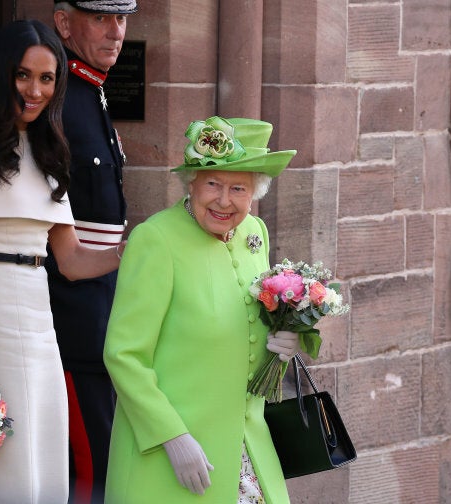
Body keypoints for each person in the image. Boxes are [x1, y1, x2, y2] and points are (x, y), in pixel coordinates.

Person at [0, 19, 124, 504]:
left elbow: (73, 261)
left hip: (39, 314)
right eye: (23, 75)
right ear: (1, 73)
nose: (34, 91)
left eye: (46, 79)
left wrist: (134, 250)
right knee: (5, 466)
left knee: (46, 453)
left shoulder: (50, 150)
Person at [103, 116, 301, 503]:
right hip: (170, 457)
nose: (224, 200)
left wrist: (283, 343)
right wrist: (171, 437)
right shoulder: (155, 240)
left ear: (255, 193)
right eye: (213, 184)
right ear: (191, 183)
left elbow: (247, 324)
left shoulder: (253, 234)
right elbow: (123, 355)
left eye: (238, 188)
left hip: (246, 449)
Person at [46, 2, 137, 503]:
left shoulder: (91, 93)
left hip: (103, 309)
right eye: (101, 18)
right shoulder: (56, 96)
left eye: (121, 19)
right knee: (89, 471)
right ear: (64, 23)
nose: (115, 31)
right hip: (73, 318)